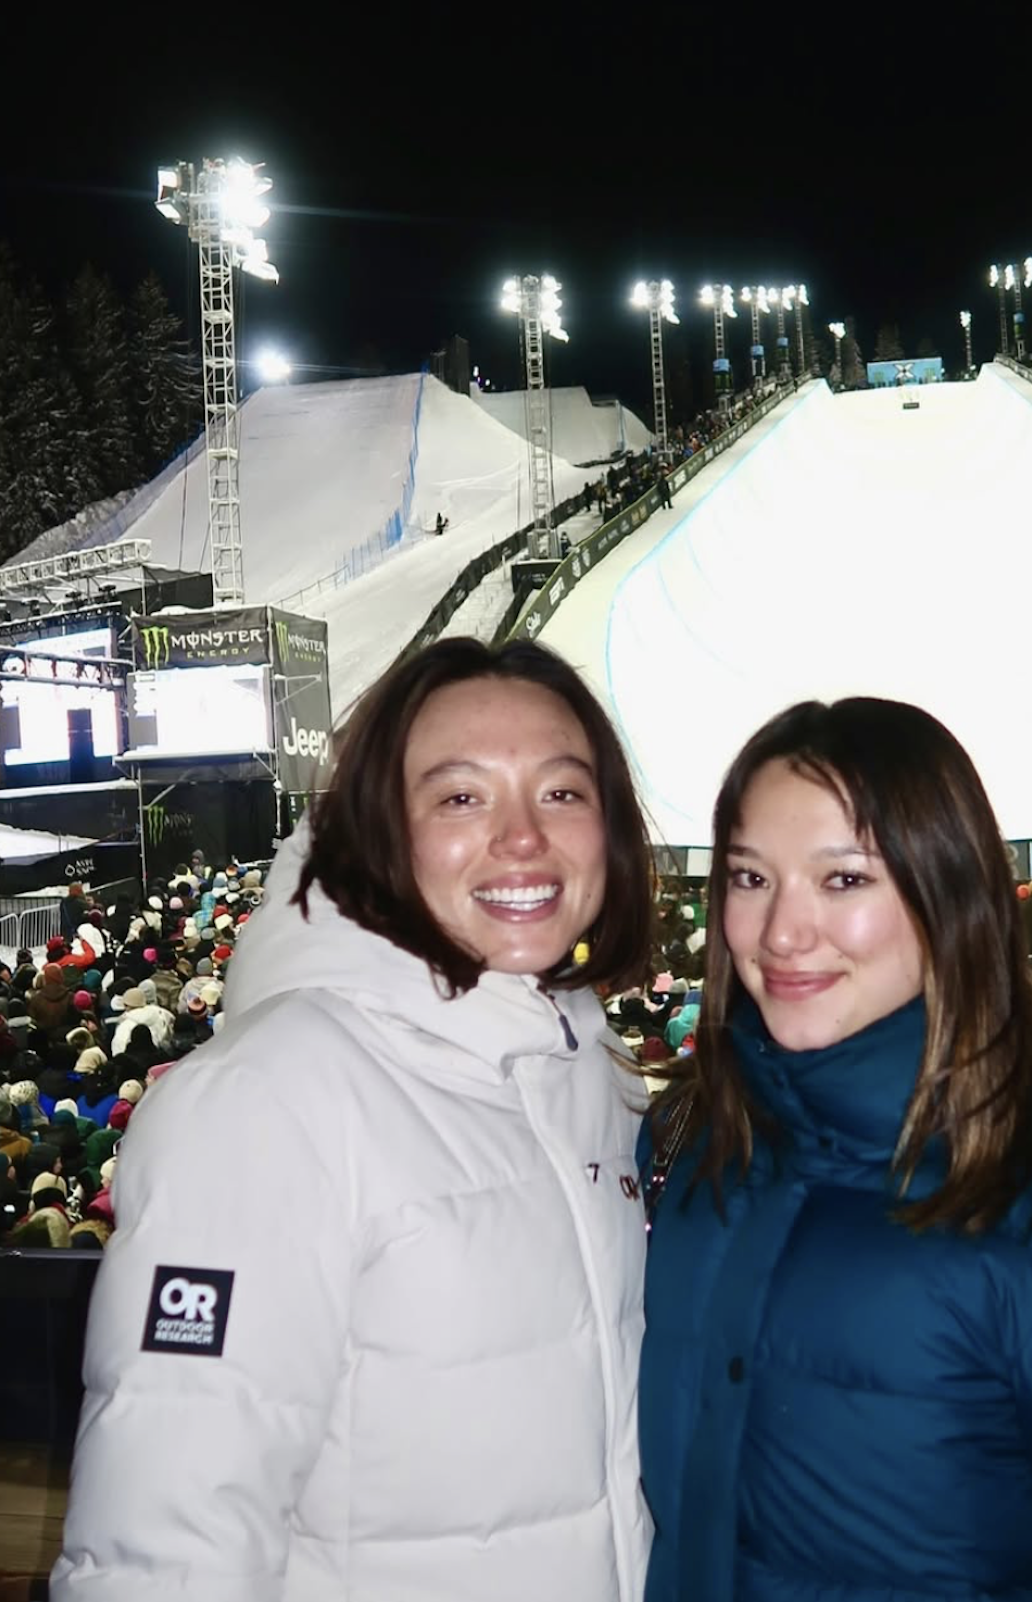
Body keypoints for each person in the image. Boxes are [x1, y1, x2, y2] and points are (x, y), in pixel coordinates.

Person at [52, 638, 656, 1602]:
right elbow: (166, 1549)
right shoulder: (271, 1102)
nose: (523, 837)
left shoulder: (587, 1077)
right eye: (461, 796)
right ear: (381, 827)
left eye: (562, 792)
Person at [638, 696, 1032, 1602]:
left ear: (948, 892)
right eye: (749, 877)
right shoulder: (697, 1151)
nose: (781, 931)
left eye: (844, 879)